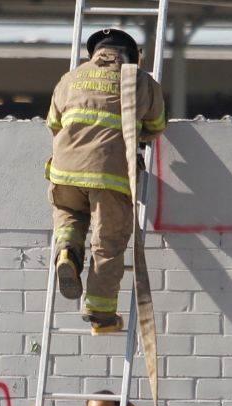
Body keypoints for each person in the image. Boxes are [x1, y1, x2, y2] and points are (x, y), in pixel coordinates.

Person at [45, 28, 167, 334]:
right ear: (131, 56)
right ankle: (100, 314)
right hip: (110, 176)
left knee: (70, 217)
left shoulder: (68, 79)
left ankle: (67, 253)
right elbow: (156, 126)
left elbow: (54, 124)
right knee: (107, 244)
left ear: (94, 53)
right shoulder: (139, 81)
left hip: (64, 172)